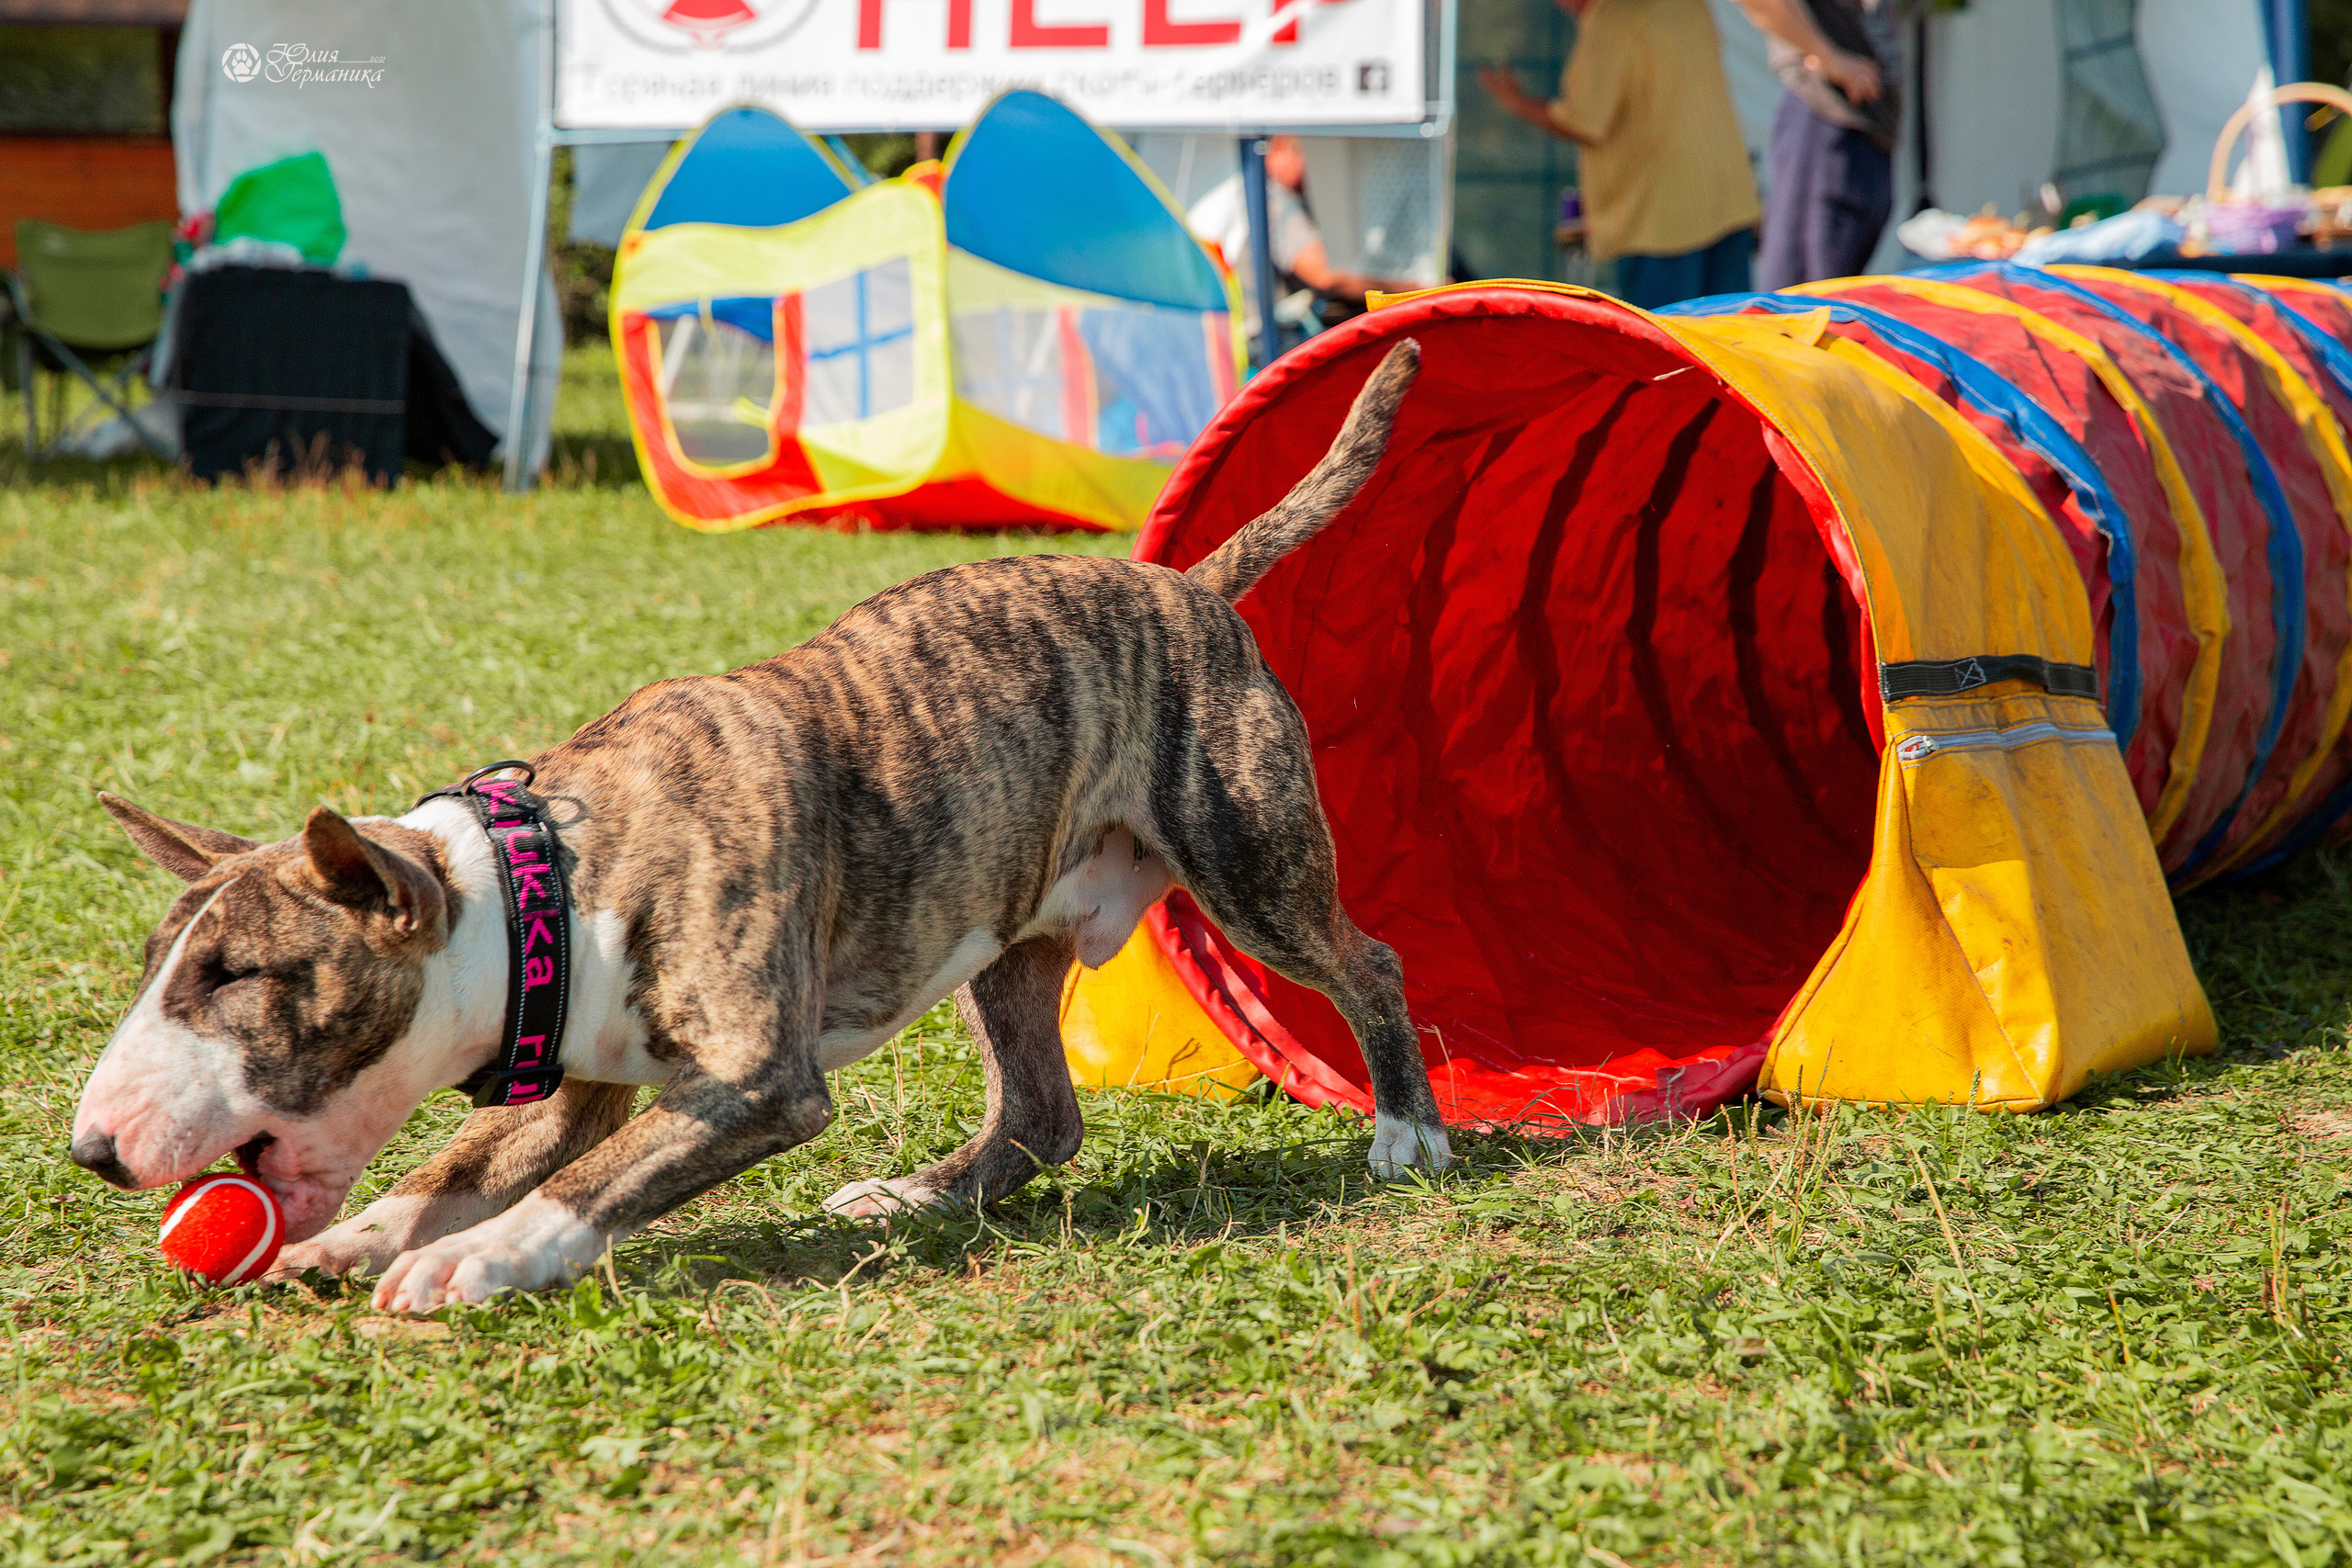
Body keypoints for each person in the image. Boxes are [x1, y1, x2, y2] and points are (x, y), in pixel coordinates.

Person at [1478, 0, 1758, 311]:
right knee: (1727, 344)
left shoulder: (1612, 18)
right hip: (1728, 201)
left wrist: (1518, 104)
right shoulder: (1687, 4)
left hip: (1660, 222)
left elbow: (1584, 121)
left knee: (1664, 352)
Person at [1729, 0, 1903, 289]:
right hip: (1824, 120)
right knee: (1804, 303)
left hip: (1864, 127)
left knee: (1837, 297)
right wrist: (1826, 56)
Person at [1187, 136, 1410, 347]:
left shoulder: (1235, 191)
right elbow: (1325, 275)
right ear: (1281, 147)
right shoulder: (1268, 197)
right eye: (1313, 156)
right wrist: (1413, 288)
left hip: (1221, 340)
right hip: (1255, 345)